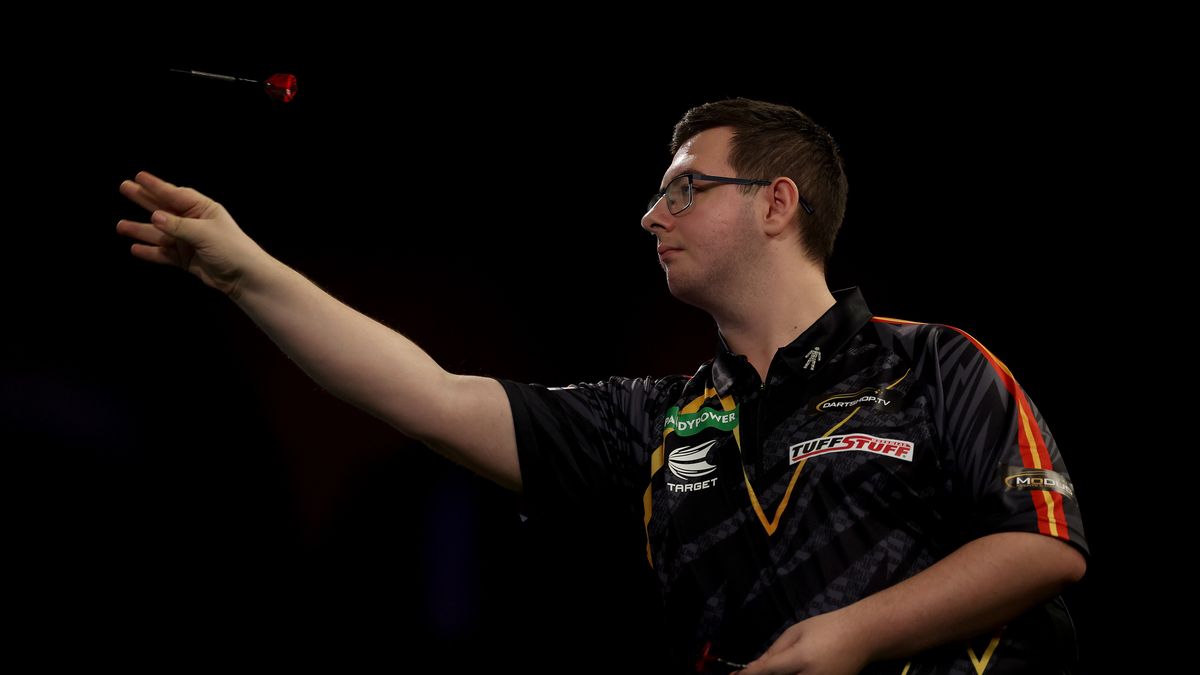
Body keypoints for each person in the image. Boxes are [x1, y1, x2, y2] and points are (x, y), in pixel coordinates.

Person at [116, 98, 1087, 674]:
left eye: (685, 187)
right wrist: (242, 269)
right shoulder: (659, 422)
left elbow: (1041, 548)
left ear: (777, 204)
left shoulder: (936, 362)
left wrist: (849, 639)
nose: (648, 214)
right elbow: (429, 395)